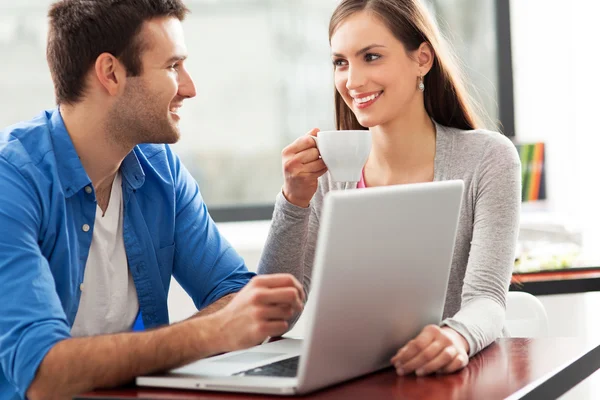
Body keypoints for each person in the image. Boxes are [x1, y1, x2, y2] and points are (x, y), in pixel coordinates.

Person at [0, 1, 304, 399]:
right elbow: (41, 373)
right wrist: (211, 331)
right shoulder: (13, 182)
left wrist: (230, 321)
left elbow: (236, 291)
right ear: (111, 73)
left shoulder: (161, 170)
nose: (190, 88)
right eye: (173, 66)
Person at [258, 0, 521, 377]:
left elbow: (487, 300)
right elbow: (275, 319)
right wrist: (293, 201)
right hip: (358, 378)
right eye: (341, 62)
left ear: (423, 59)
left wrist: (456, 337)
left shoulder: (488, 158)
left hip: (457, 379)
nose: (352, 80)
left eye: (371, 56)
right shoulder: (327, 175)